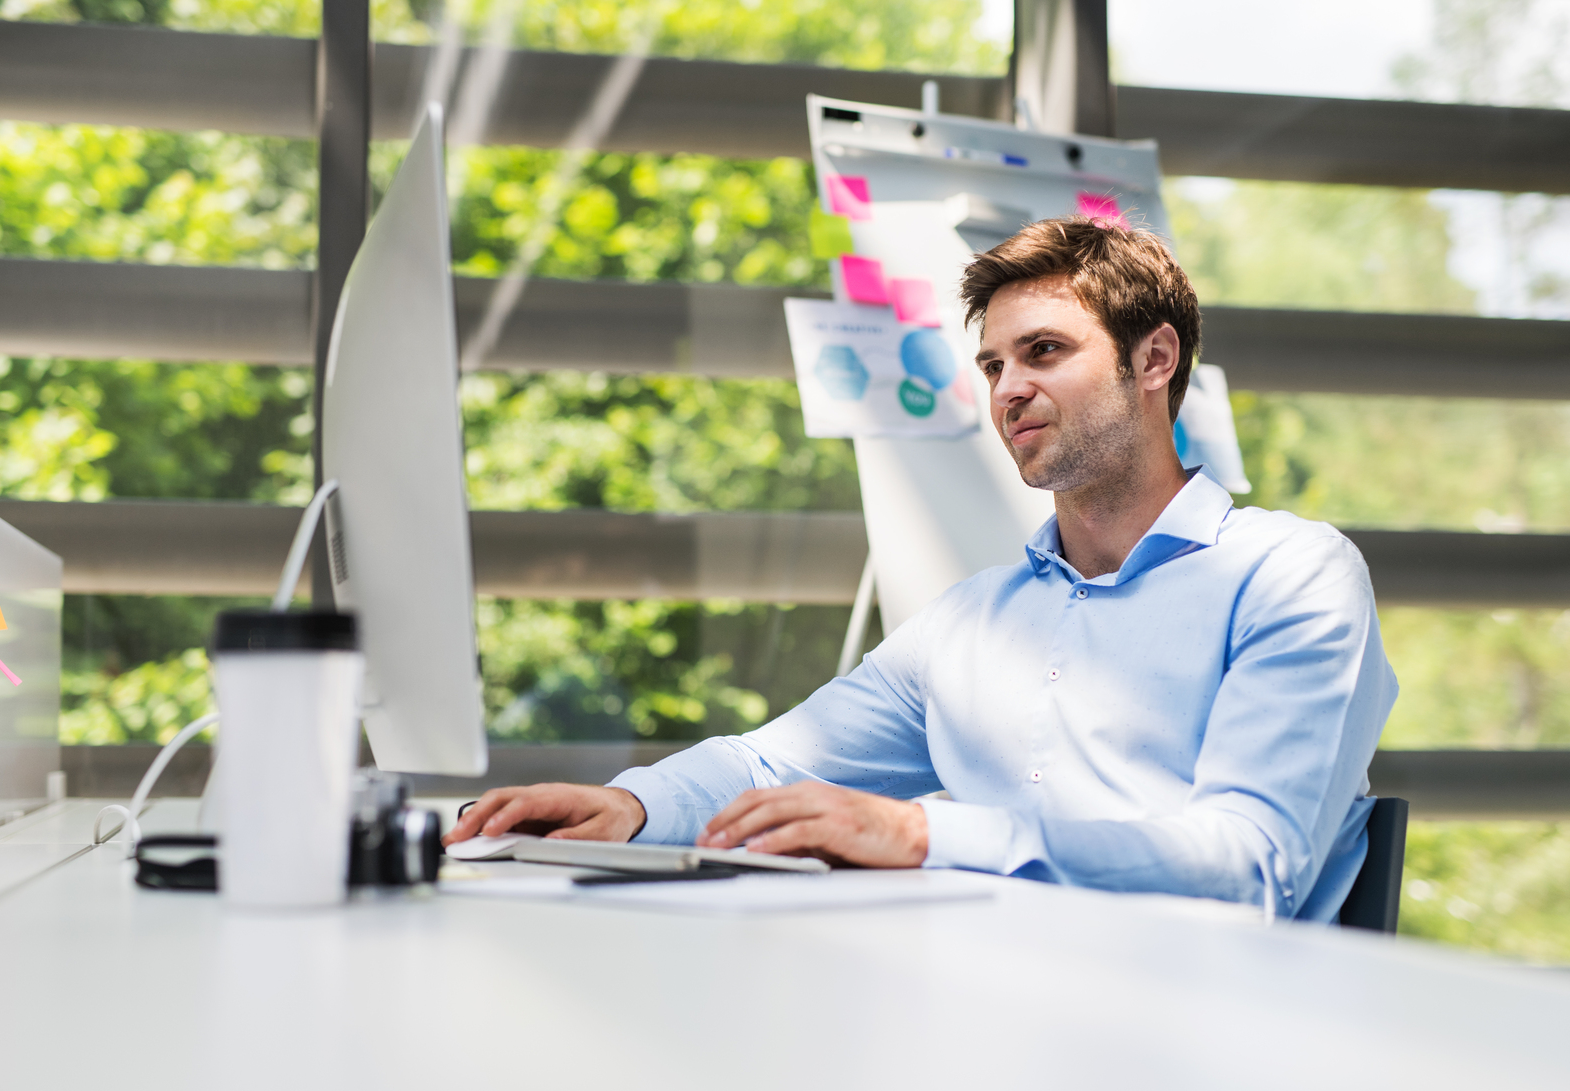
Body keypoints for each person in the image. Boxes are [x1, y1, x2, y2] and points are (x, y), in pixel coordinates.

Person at [443, 217, 1398, 921]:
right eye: (991, 367)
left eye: (1045, 351)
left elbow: (1248, 862)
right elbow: (775, 761)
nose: (1009, 389)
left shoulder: (1291, 575)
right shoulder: (977, 620)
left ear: (1154, 360)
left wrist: (922, 835)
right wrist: (634, 802)